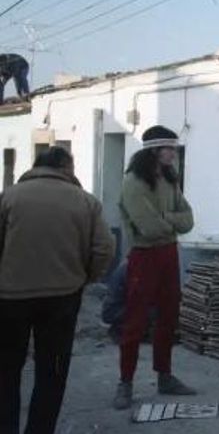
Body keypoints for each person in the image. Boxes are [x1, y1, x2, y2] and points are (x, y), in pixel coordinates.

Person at [0, 146, 115, 434]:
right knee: (51, 370)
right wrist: (85, 277)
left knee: (6, 369)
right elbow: (104, 247)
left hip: (11, 297)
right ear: (67, 167)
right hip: (62, 297)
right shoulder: (86, 202)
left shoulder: (10, 197)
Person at [114, 125, 195, 410]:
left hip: (169, 254)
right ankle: (125, 383)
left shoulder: (170, 179)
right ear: (154, 150)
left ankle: (165, 376)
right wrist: (170, 222)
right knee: (135, 320)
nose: (173, 153)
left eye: (174, 148)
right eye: (168, 149)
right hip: (144, 256)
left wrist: (166, 217)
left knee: (169, 316)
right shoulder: (134, 181)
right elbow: (148, 229)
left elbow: (189, 220)